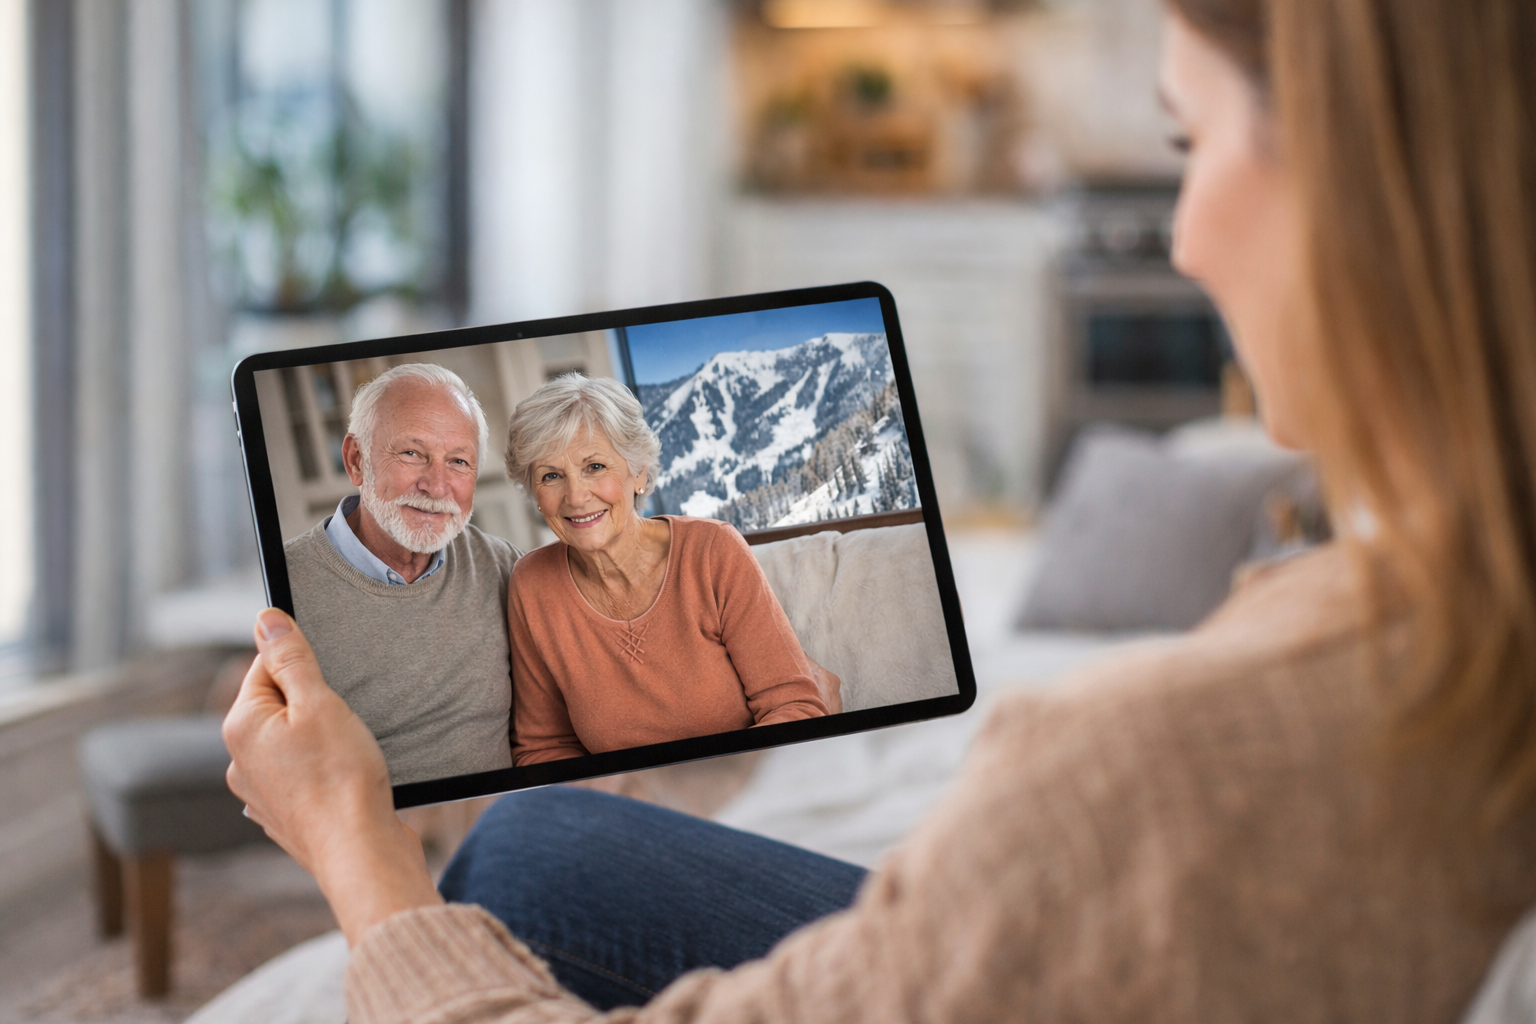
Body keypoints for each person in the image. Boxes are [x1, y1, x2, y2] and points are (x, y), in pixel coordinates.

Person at [224, 0, 1536, 1018]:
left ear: (1371, 188)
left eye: (1191, 147)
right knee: (535, 838)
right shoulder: (1455, 603)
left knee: (500, 862)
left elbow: (784, 691)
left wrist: (357, 853)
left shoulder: (1130, 769)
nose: (1184, 242)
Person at [502, 374, 838, 765]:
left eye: (595, 466)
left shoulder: (713, 551)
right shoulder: (531, 585)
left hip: (746, 787)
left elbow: (795, 707)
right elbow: (544, 748)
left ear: (639, 474)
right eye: (551, 476)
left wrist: (708, 790)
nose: (576, 496)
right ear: (535, 494)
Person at [282, 363, 519, 786]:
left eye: (459, 461)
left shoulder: (501, 566)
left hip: (503, 819)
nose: (437, 485)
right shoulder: (288, 585)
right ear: (357, 461)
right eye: (412, 453)